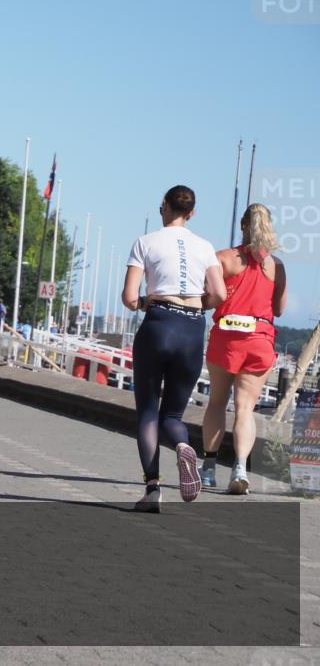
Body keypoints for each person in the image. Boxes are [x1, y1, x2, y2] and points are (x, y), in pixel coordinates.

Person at [122, 185, 226, 512]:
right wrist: (197, 306)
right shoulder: (206, 247)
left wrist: (144, 303)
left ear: (164, 207)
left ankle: (153, 489)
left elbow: (128, 297)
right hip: (193, 327)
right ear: (192, 213)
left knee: (148, 413)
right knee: (174, 414)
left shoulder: (145, 242)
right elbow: (220, 294)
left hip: (158, 323)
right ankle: (183, 444)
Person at [200, 204, 287, 495]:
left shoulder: (223, 258)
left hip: (227, 337)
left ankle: (209, 468)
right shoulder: (277, 266)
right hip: (259, 340)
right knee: (245, 408)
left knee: (216, 403)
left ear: (242, 225)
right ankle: (239, 468)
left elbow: (208, 296)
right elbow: (279, 309)